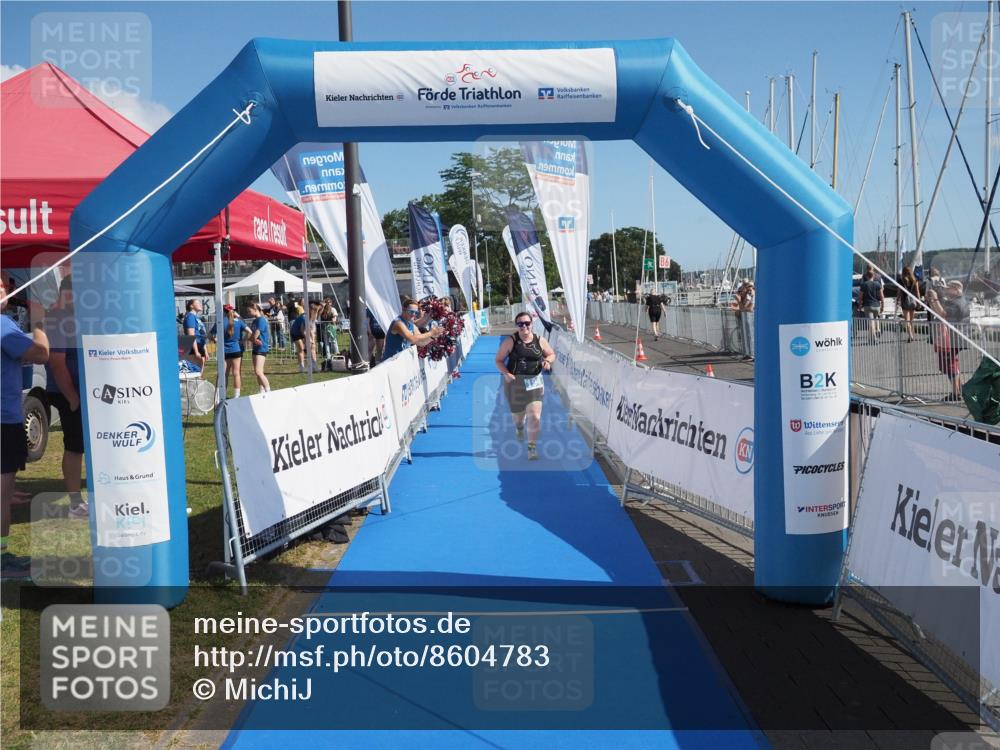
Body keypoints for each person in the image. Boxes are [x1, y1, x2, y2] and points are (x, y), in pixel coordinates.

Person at [1, 274, 49, 578]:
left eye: (6, 285)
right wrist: (40, 324)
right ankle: (2, 561)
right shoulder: (3, 325)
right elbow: (41, 354)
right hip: (3, 420)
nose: (6, 291)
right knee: (1, 497)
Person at [42, 277, 89, 518]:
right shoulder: (58, 318)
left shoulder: (71, 317)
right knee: (75, 446)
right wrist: (73, 398)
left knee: (83, 445)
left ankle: (82, 500)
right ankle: (75, 504)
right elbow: (57, 364)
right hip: (68, 392)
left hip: (82, 392)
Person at [494, 311, 556, 461]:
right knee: (519, 417)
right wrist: (506, 374)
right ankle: (519, 427)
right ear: (517, 325)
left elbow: (551, 354)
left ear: (531, 324)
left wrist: (547, 361)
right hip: (515, 384)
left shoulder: (540, 340)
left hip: (535, 382)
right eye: (520, 324)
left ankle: (531, 449)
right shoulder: (510, 341)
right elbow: (498, 360)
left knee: (534, 416)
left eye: (527, 323)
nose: (524, 327)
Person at [927, 280, 970, 402]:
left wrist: (935, 299)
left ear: (956, 289)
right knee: (950, 365)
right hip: (954, 338)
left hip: (952, 339)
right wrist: (932, 301)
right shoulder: (957, 301)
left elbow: (942, 313)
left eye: (948, 288)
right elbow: (941, 312)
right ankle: (958, 390)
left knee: (950, 365)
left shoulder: (957, 303)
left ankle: (956, 393)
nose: (945, 290)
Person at [211, 304, 246, 398]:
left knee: (223, 374)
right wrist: (244, 340)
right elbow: (250, 331)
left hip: (224, 351)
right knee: (236, 373)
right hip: (236, 349)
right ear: (233, 311)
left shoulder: (220, 321)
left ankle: (220, 396)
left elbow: (210, 334)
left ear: (223, 311)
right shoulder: (238, 321)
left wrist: (215, 340)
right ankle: (236, 396)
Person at [245, 302, 271, 392]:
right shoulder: (255, 321)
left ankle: (268, 390)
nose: (248, 313)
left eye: (249, 311)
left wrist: (252, 339)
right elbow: (251, 335)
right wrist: (253, 339)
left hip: (261, 348)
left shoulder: (261, 320)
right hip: (255, 348)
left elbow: (256, 334)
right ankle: (261, 389)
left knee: (258, 371)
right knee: (258, 372)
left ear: (255, 310)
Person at [858, 268, 884, 342]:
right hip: (877, 305)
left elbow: (860, 296)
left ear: (866, 276)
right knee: (876, 319)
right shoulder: (878, 284)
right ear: (874, 276)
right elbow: (882, 296)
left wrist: (860, 305)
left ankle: (874, 338)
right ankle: (875, 332)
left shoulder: (864, 285)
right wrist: (883, 306)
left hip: (868, 305)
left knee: (871, 322)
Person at [183, 299, 207, 373]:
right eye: (198, 303)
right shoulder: (190, 316)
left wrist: (205, 351)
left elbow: (202, 334)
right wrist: (196, 351)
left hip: (200, 345)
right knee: (194, 371)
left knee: (200, 372)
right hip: (193, 346)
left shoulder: (197, 318)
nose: (200, 304)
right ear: (191, 306)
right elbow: (191, 334)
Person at [899, 266, 921, 342]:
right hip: (912, 301)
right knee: (912, 320)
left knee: (907, 320)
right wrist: (919, 301)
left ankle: (910, 335)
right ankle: (913, 335)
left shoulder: (901, 280)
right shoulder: (915, 280)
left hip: (904, 301)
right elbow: (917, 292)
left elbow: (899, 292)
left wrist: (897, 299)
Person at [289, 304, 309, 372]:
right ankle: (301, 367)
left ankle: (302, 365)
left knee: (302, 349)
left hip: (299, 332)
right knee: (301, 349)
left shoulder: (306, 317)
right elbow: (302, 330)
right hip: (295, 333)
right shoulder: (304, 318)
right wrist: (306, 337)